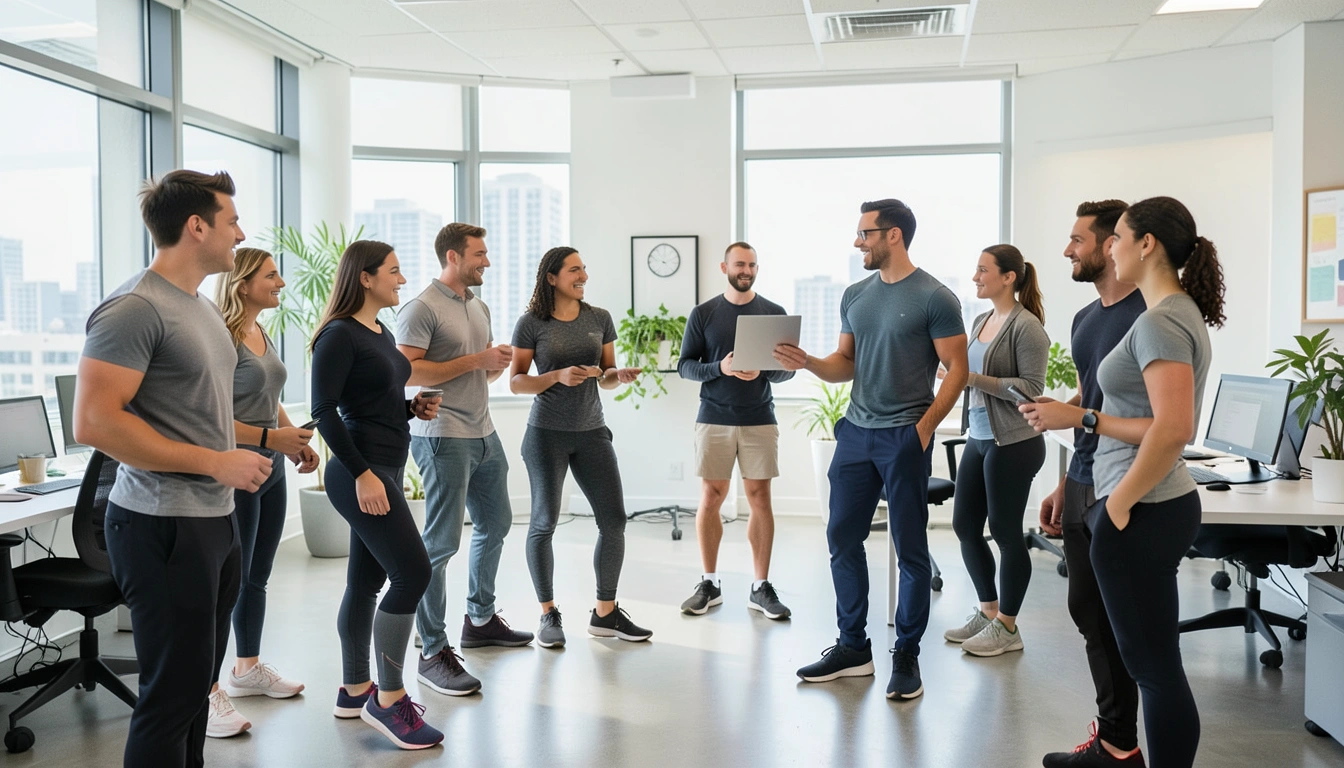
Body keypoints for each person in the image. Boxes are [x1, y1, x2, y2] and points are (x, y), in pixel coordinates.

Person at [75, 169, 275, 767]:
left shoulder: (202, 311)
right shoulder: (134, 309)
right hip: (160, 524)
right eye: (231, 221)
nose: (240, 233)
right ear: (197, 226)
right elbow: (94, 423)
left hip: (214, 519)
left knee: (194, 690)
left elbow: (200, 415)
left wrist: (263, 441)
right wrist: (215, 462)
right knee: (170, 695)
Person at [1023, 196, 1224, 768]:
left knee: (1156, 674)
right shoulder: (1170, 312)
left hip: (1142, 506)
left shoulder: (1161, 319)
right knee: (1151, 666)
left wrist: (1116, 507)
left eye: (1117, 238)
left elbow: (1173, 429)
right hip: (1137, 501)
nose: (1109, 248)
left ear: (1145, 244)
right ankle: (1116, 748)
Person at [775, 199, 967, 700]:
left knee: (910, 549)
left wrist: (924, 430)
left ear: (894, 235)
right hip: (856, 433)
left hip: (905, 435)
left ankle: (906, 654)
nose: (857, 242)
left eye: (865, 233)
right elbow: (846, 362)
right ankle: (853, 648)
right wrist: (810, 362)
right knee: (842, 537)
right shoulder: (855, 295)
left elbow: (958, 371)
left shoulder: (936, 298)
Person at [310, 240, 444, 751]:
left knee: (366, 581)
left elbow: (373, 402)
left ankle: (354, 689)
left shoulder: (380, 331)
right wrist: (363, 472)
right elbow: (325, 412)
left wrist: (412, 410)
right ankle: (388, 701)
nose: (402, 279)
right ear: (364, 278)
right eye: (393, 271)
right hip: (359, 469)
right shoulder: (337, 335)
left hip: (383, 462)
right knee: (413, 574)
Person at [396, 223, 532, 700]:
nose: (487, 263)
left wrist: (492, 365)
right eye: (479, 255)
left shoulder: (479, 305)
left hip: (483, 432)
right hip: (441, 436)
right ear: (453, 257)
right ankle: (433, 649)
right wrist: (477, 361)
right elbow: (406, 371)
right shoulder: (420, 308)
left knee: (496, 524)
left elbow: (479, 374)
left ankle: (479, 619)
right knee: (440, 545)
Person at [1035, 200, 1148, 767]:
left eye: (1076, 239)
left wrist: (1074, 418)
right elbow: (1090, 399)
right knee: (1087, 613)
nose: (1066, 250)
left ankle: (1121, 745)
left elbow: (1164, 420)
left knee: (1116, 620)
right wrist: (1064, 483)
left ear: (1109, 244)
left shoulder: (1146, 315)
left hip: (1123, 487)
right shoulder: (1084, 319)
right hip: (1083, 480)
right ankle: (1115, 741)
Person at [205, 247, 319, 738]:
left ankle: (246, 668)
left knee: (257, 576)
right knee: (227, 582)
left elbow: (267, 403)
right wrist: (273, 439)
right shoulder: (220, 337)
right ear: (242, 281)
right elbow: (211, 419)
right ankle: (206, 692)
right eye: (272, 276)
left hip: (270, 467)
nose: (281, 283)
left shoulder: (259, 330)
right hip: (238, 468)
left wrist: (291, 443)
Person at [509, 246, 646, 647]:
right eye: (574, 270)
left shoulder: (599, 319)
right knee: (544, 523)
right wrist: (555, 376)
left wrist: (616, 376)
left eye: (584, 268)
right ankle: (548, 614)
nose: (583, 275)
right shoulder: (531, 323)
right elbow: (516, 381)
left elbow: (603, 376)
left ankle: (605, 614)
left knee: (614, 520)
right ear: (552, 278)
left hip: (592, 432)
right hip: (546, 434)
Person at [676, 242, 795, 619]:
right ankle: (709, 582)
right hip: (714, 417)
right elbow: (685, 366)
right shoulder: (704, 313)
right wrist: (720, 368)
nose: (746, 270)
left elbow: (788, 369)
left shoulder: (773, 314)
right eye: (740, 263)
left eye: (753, 264)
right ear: (724, 266)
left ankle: (760, 587)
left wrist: (763, 370)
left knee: (760, 497)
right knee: (711, 495)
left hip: (759, 417)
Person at [945, 245, 1049, 657]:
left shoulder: (1027, 327)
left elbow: (1031, 389)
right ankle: (989, 612)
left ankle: (1008, 626)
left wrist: (970, 376)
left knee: (1006, 534)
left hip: (1015, 442)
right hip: (980, 438)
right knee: (965, 526)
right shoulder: (981, 319)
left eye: (983, 270)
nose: (975, 277)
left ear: (1009, 277)